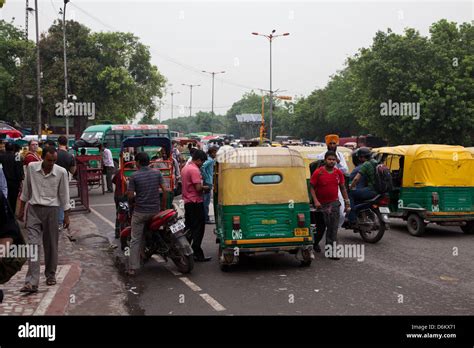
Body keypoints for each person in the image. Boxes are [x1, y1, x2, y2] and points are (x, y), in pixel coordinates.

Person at [17, 147, 71, 293]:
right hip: (34, 210)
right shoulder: (31, 168)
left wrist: (66, 215)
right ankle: (31, 282)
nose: (51, 163)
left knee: (51, 244)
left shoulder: (61, 172)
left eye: (54, 161)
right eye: (49, 160)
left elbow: (64, 195)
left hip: (52, 211)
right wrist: (21, 210)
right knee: (33, 245)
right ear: (42, 157)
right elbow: (26, 191)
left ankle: (50, 275)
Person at [126, 152, 168, 276]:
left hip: (140, 212)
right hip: (156, 211)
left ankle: (133, 267)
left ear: (138, 162)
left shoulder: (134, 176)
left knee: (135, 240)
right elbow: (165, 191)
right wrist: (163, 207)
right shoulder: (157, 173)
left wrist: (132, 202)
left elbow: (129, 196)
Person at [310, 151, 350, 259]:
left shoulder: (338, 173)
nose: (331, 161)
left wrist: (347, 203)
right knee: (320, 228)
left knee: (332, 229)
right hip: (320, 205)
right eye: (329, 159)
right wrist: (316, 201)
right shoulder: (318, 172)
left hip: (334, 204)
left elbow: (342, 188)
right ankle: (315, 243)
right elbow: (312, 187)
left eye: (333, 159)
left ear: (336, 161)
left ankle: (331, 252)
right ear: (325, 160)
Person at [181, 149, 211, 262]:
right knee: (198, 228)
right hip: (195, 202)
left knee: (189, 228)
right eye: (202, 162)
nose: (202, 164)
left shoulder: (185, 167)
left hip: (188, 202)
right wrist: (206, 188)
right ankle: (197, 252)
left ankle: (186, 251)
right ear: (198, 160)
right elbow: (198, 188)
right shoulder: (194, 170)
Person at [347, 147, 377, 226]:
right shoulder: (376, 162)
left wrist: (350, 187)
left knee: (350, 194)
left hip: (371, 190)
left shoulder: (365, 164)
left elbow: (356, 179)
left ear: (362, 157)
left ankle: (352, 218)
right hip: (378, 190)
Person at [56, 136, 76, 228]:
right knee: (64, 200)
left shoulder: (54, 154)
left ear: (58, 143)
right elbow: (73, 171)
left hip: (52, 179)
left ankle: (55, 220)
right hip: (64, 180)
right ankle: (61, 221)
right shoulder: (70, 156)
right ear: (67, 143)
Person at [0, 142, 24, 215]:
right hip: (14, 183)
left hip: (2, 182)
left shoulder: (1, 157)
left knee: (2, 198)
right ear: (13, 149)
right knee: (13, 200)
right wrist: (20, 182)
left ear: (5, 148)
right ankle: (11, 214)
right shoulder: (17, 158)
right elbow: (19, 172)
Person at [201, 147, 217, 224]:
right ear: (211, 153)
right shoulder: (210, 160)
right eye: (214, 153)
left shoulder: (211, 160)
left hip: (208, 181)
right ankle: (206, 218)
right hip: (208, 181)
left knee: (206, 200)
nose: (215, 154)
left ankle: (205, 217)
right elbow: (202, 167)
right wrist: (206, 176)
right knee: (206, 201)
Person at [112, 170, 127, 239]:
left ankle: (117, 232)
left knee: (119, 213)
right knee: (124, 213)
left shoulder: (119, 171)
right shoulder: (131, 172)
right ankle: (120, 232)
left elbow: (113, 181)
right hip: (124, 196)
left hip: (118, 195)